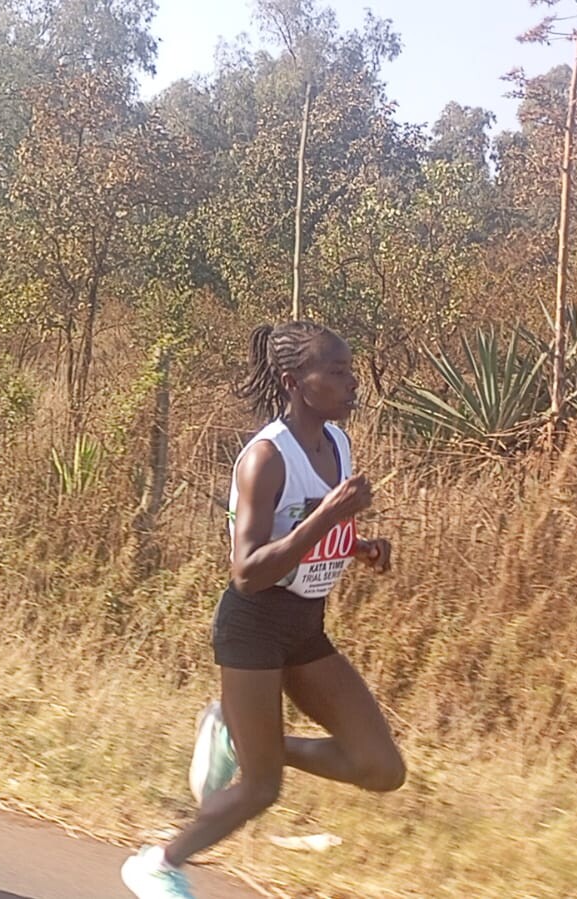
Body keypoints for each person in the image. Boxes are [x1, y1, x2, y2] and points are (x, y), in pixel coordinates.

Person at [121, 321, 406, 898]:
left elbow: (301, 534)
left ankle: (236, 736)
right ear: (294, 382)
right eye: (338, 373)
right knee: (261, 788)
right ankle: (159, 864)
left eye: (351, 371)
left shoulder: (337, 444)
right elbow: (247, 571)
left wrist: (356, 545)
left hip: (304, 627)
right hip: (252, 628)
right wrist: (329, 517)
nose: (353, 383)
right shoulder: (266, 457)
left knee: (381, 767)